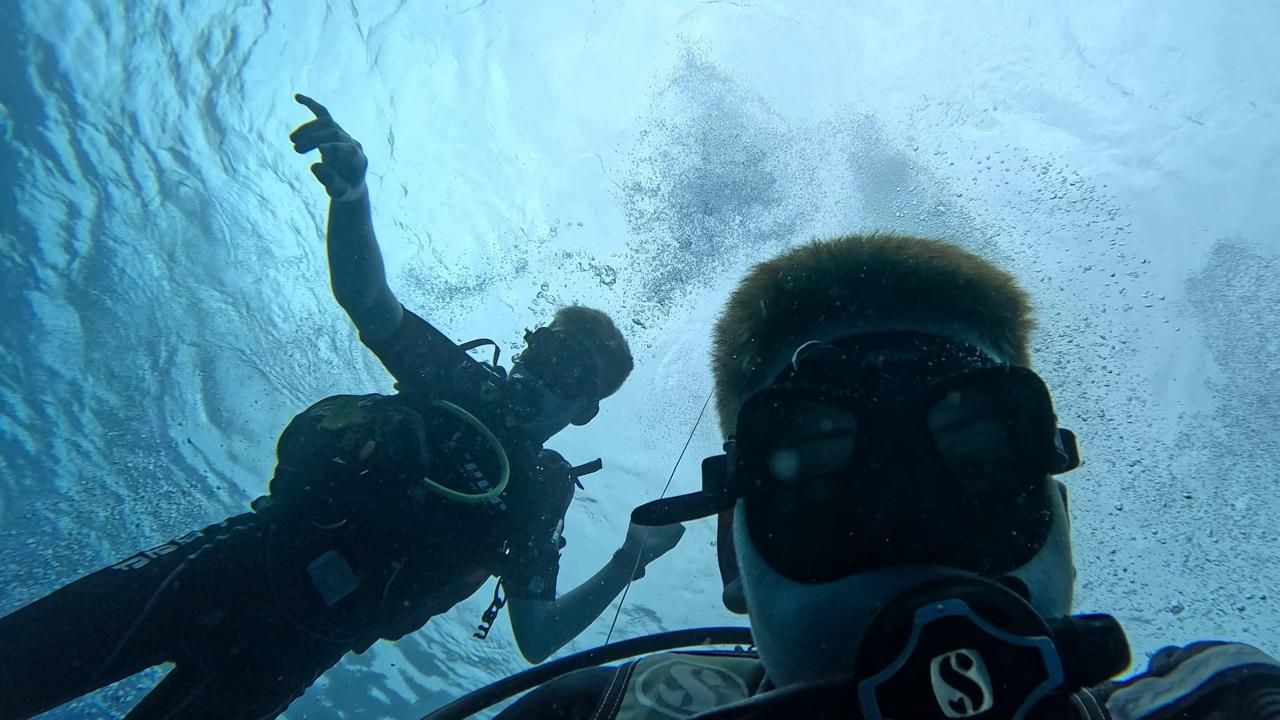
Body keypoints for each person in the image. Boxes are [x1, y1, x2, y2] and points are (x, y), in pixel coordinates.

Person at [0, 96, 684, 720]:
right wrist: (353, 197)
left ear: (586, 411)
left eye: (565, 371)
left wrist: (629, 560)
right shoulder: (461, 383)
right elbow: (368, 301)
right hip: (229, 564)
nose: (536, 375)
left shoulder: (537, 492)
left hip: (292, 653)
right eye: (541, 351)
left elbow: (537, 638)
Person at [490, 233, 1280, 720]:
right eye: (825, 482)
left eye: (975, 469)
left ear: (1060, 520)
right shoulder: (592, 716)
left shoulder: (1217, 701)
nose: (914, 537)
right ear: (732, 555)